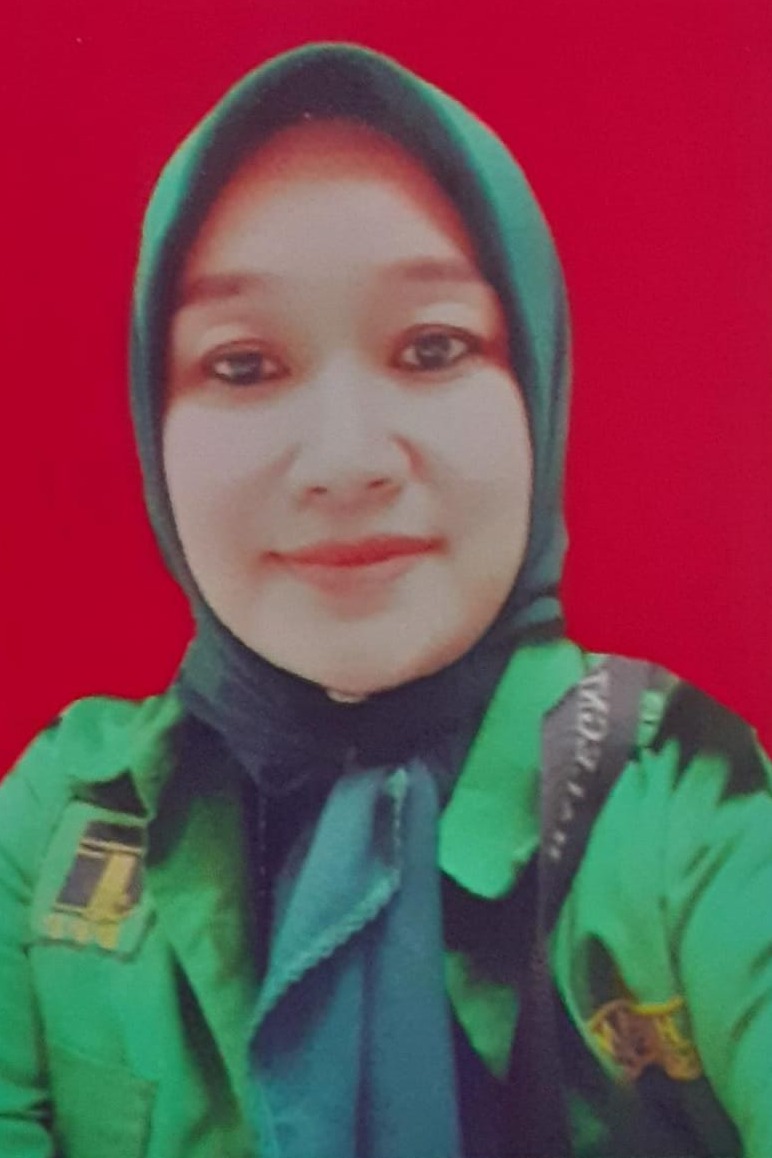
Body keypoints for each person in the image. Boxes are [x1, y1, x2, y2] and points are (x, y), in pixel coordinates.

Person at [0, 41, 769, 1158]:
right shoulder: (68, 809)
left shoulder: (681, 803)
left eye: (433, 347)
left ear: (537, 386)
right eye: (244, 366)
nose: (346, 461)